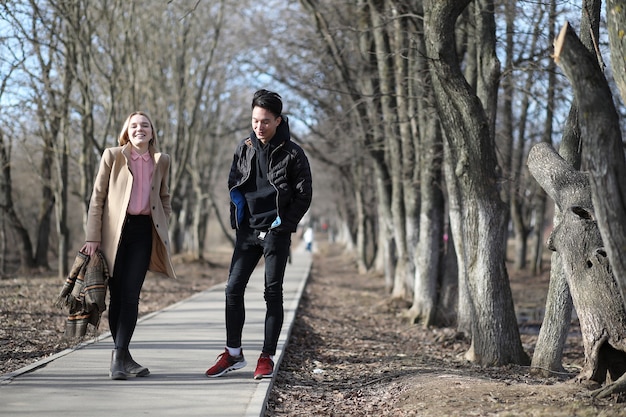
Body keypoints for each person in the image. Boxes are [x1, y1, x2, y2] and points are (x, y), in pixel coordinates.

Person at [205, 89, 312, 380]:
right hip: (248, 232)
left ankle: (266, 356)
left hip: (276, 232)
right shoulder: (244, 147)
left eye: (265, 121)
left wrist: (284, 226)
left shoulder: (293, 153)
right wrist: (237, 220)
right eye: (254, 120)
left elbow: (304, 196)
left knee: (272, 292)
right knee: (232, 290)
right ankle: (233, 353)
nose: (258, 126)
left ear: (278, 120)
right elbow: (233, 183)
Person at [81, 111, 176, 380]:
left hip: (143, 232)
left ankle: (118, 356)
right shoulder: (113, 156)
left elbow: (164, 196)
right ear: (127, 131)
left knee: (131, 294)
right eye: (134, 125)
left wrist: (162, 220)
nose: (140, 129)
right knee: (117, 294)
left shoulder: (162, 160)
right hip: (114, 235)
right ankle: (122, 357)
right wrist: (92, 237)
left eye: (145, 125)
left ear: (152, 131)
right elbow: (97, 198)